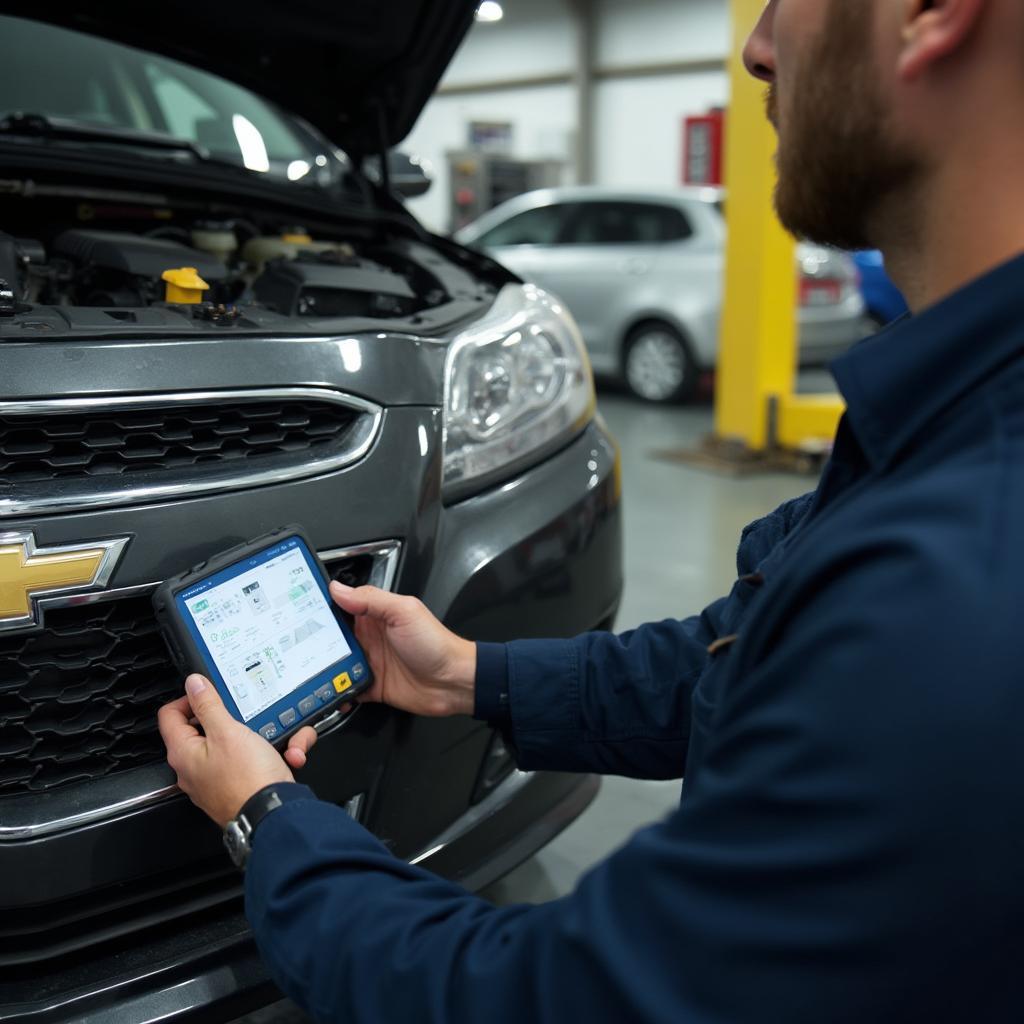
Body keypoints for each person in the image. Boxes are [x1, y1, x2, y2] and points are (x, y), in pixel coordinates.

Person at [158, 0, 1024, 1019]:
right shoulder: (944, 428)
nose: (754, 45)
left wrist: (270, 821)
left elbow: (552, 998)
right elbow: (734, 662)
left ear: (930, 13)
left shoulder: (959, 577)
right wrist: (470, 676)